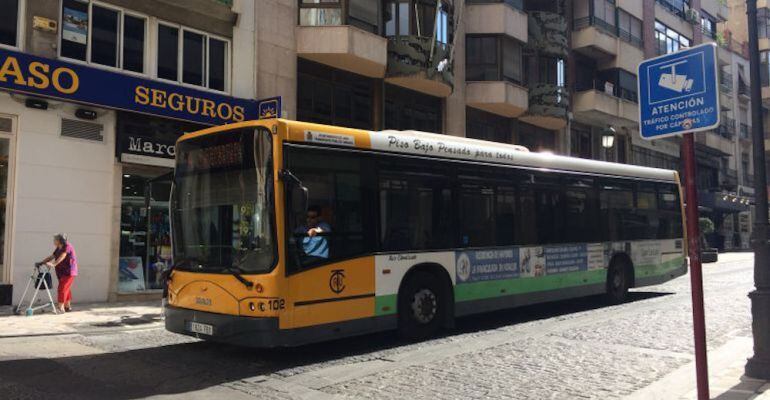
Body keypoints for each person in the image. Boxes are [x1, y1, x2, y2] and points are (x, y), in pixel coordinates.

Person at [38, 234, 78, 313]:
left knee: (62, 288)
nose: (54, 241)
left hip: (69, 272)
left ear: (59, 241)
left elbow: (63, 256)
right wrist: (42, 262)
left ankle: (60, 308)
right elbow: (52, 256)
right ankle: (67, 306)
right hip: (62, 272)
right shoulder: (59, 248)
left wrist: (54, 264)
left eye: (55, 240)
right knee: (66, 289)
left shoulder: (67, 246)